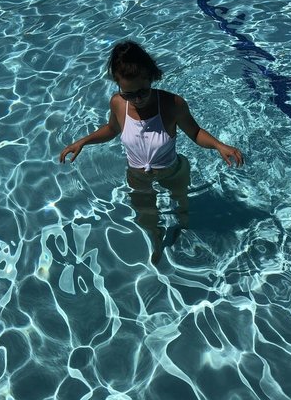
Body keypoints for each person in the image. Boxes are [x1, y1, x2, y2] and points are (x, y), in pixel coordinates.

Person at [60, 40, 244, 264]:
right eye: (129, 94)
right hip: (137, 176)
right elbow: (111, 129)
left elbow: (195, 132)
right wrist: (83, 141)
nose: (137, 99)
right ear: (118, 85)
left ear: (151, 77)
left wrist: (219, 145)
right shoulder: (118, 104)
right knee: (145, 218)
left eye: (142, 91)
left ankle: (183, 230)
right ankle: (157, 240)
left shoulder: (172, 104)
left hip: (173, 171)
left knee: (182, 209)